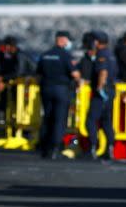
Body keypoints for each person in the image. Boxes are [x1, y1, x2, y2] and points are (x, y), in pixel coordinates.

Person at [37, 31, 80, 160]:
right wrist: (79, 82)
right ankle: (55, 148)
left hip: (46, 89)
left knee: (47, 118)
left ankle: (44, 147)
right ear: (63, 40)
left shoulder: (44, 55)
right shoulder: (65, 55)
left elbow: (38, 73)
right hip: (61, 89)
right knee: (59, 120)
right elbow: (75, 74)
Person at [86, 31, 117, 160]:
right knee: (106, 122)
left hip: (103, 92)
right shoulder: (111, 55)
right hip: (111, 91)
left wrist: (100, 87)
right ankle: (110, 148)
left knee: (91, 120)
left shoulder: (101, 54)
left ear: (97, 42)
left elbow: (103, 71)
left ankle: (93, 147)